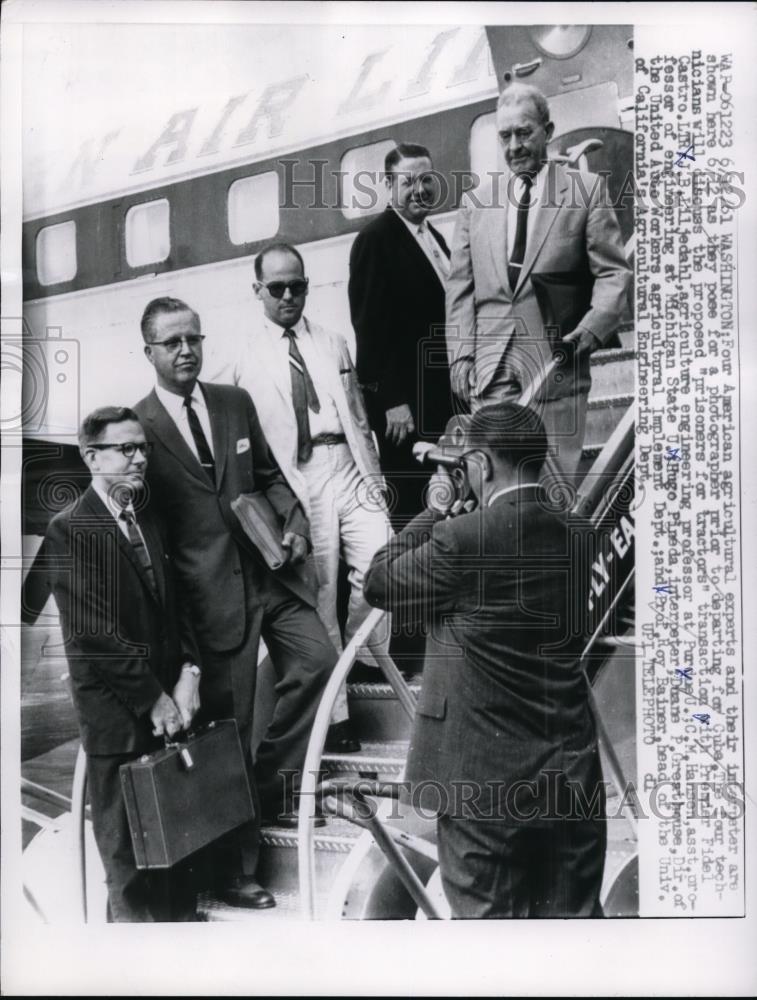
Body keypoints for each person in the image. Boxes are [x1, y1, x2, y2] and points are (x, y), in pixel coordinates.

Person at [364, 402, 606, 918]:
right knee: (577, 939)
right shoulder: (580, 534)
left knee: (489, 944)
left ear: (482, 465)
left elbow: (379, 579)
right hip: (569, 774)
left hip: (482, 787)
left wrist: (437, 506)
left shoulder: (462, 538)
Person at [134, 297, 337, 909]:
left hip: (271, 576)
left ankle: (265, 785)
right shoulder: (139, 428)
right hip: (209, 601)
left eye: (194, 337)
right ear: (149, 353)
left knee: (319, 667)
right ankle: (235, 871)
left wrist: (294, 522)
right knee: (227, 734)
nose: (187, 350)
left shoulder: (232, 402)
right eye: (172, 343)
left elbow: (271, 476)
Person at [209, 243, 393, 750]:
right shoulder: (240, 357)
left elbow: (355, 412)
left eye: (298, 286)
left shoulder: (332, 342)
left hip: (349, 469)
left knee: (387, 565)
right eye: (277, 288)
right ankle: (335, 718)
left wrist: (373, 472)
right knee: (319, 597)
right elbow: (224, 425)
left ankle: (361, 659)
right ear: (257, 291)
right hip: (297, 480)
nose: (289, 295)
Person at [44, 406, 200, 921]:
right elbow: (96, 636)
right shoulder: (69, 530)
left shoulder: (148, 518)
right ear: (91, 456)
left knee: (175, 857)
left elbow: (180, 608)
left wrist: (188, 675)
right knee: (129, 869)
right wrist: (154, 699)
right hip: (118, 723)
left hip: (169, 712)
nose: (139, 458)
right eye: (125, 449)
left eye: (143, 448)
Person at [446, 82, 631, 477]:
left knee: (553, 491)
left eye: (524, 132)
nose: (514, 146)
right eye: (505, 136)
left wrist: (589, 331)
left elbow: (613, 272)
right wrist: (461, 355)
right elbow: (459, 289)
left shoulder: (586, 191)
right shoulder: (475, 203)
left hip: (556, 370)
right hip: (491, 372)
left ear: (547, 131)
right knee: (496, 488)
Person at [349, 142, 454, 526]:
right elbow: (369, 328)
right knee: (415, 505)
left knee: (445, 497)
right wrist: (392, 400)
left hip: (439, 398)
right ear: (389, 186)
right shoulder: (375, 240)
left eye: (426, 180)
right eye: (408, 182)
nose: (419, 190)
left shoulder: (433, 238)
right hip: (405, 410)